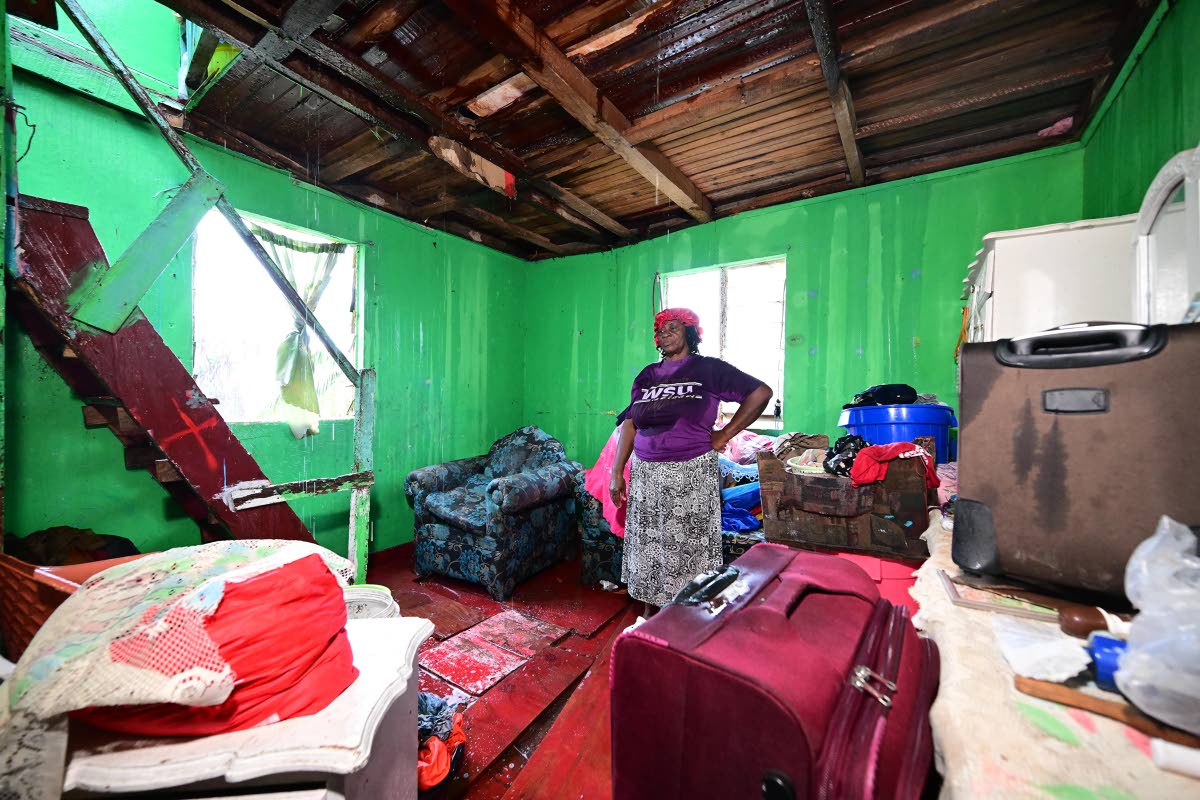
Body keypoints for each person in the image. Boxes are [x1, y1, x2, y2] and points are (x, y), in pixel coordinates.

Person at [609, 308, 772, 617]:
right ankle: (648, 615)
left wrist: (724, 434)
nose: (665, 333)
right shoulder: (647, 375)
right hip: (645, 474)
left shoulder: (708, 369)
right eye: (660, 330)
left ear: (690, 332)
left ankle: (688, 617)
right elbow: (631, 422)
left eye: (673, 327)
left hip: (690, 473)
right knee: (648, 547)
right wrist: (618, 471)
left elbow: (760, 392)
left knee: (687, 549)